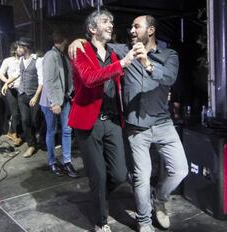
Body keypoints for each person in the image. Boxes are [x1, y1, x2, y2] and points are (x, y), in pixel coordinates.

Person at [69, 15, 189, 232]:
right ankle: (143, 221)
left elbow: (169, 78)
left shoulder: (169, 54)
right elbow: (95, 43)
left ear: (150, 30)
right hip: (135, 126)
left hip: (162, 123)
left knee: (180, 170)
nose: (131, 30)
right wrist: (77, 40)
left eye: (136, 27)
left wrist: (147, 63)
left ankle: (159, 198)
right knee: (139, 178)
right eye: (131, 26)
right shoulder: (123, 50)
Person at [68, 9, 135, 232]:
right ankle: (101, 220)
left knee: (118, 173)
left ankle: (99, 195)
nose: (110, 25)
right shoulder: (80, 50)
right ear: (92, 29)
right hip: (89, 121)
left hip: (113, 121)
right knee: (97, 173)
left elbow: (121, 83)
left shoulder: (114, 53)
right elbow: (89, 79)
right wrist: (121, 65)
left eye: (111, 22)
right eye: (105, 22)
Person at [39, 31, 79, 178]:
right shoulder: (51, 55)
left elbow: (68, 76)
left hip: (64, 99)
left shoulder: (62, 56)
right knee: (52, 131)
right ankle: (52, 162)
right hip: (52, 102)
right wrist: (54, 102)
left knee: (67, 130)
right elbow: (48, 81)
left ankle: (67, 161)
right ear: (64, 41)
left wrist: (69, 93)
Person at [3, 37, 43, 158]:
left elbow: (42, 81)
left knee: (35, 120)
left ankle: (40, 139)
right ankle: (31, 145)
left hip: (33, 95)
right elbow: (17, 74)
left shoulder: (38, 60)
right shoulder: (21, 60)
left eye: (20, 47)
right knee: (25, 120)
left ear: (26, 48)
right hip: (22, 95)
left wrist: (36, 96)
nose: (18, 49)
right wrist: (6, 83)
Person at [0, 42, 23, 146]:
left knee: (22, 112)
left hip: (22, 89)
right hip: (11, 90)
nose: (21, 50)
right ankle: (12, 132)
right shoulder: (7, 61)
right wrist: (8, 81)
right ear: (14, 50)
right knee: (15, 113)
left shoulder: (24, 60)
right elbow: (0, 74)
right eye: (19, 48)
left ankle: (18, 132)